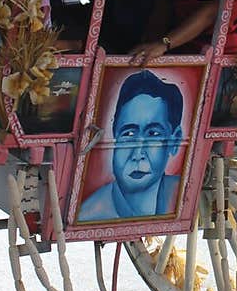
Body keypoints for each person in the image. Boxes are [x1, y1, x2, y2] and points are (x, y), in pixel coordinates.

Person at [77, 68, 184, 222]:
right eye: (129, 134)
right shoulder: (90, 213)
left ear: (174, 141)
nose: (138, 154)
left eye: (153, 134)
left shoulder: (182, 193)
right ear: (114, 136)